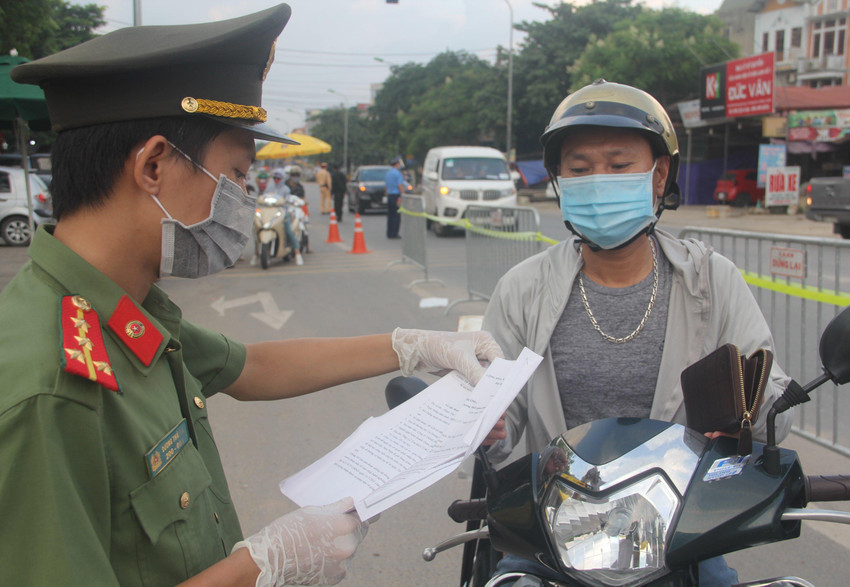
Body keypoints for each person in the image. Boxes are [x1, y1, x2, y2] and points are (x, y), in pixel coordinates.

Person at [1, 6, 504, 586]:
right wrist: (258, 567)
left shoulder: (122, 310)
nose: (243, 197)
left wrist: (410, 345)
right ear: (154, 165)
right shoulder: (48, 388)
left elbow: (252, 369)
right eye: (235, 175)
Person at [482, 80, 794, 586]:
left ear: (659, 174)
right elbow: (500, 423)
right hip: (556, 526)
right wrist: (480, 425)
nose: (598, 180)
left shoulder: (711, 281)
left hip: (679, 529)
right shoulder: (522, 290)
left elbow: (769, 397)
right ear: (559, 179)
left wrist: (750, 416)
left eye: (619, 164)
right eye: (579, 169)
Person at [265, 168, 303, 265]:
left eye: (279, 178)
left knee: (289, 231)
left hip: (282, 214)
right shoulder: (269, 187)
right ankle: (257, 253)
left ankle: (297, 253)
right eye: (275, 178)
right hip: (270, 213)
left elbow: (286, 202)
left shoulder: (286, 189)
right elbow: (264, 198)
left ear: (282, 179)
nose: (276, 180)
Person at [384, 156, 411, 239]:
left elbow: (386, 187)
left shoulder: (388, 173)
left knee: (390, 215)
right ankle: (394, 233)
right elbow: (400, 185)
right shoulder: (398, 173)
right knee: (396, 215)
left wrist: (387, 194)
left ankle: (389, 233)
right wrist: (403, 195)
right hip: (396, 196)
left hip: (390, 196)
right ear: (397, 164)